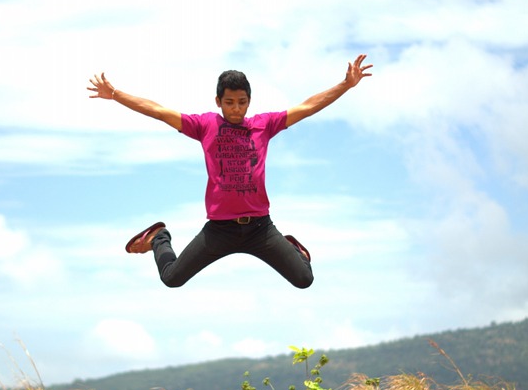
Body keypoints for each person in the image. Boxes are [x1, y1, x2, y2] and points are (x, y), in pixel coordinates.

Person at [87, 54, 372, 289]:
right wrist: (115, 94)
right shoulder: (204, 126)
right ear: (218, 102)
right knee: (172, 278)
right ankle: (160, 237)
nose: (236, 110)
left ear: (249, 101)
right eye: (229, 103)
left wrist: (345, 85)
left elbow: (308, 106)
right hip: (219, 230)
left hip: (260, 228)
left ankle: (295, 251)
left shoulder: (265, 124)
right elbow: (159, 111)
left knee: (304, 279)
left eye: (242, 102)